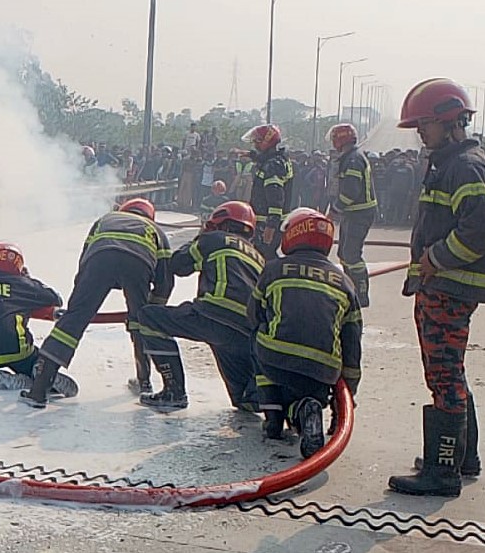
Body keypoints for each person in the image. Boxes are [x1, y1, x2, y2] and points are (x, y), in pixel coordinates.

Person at [388, 79, 485, 498]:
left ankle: (442, 471)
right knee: (450, 371)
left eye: (426, 124)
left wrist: (435, 259)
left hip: (450, 287)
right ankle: (460, 457)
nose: (420, 132)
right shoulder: (451, 161)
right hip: (443, 284)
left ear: (452, 121)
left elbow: (483, 229)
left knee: (443, 375)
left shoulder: (464, 166)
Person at [20, 197, 173, 408]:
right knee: (142, 324)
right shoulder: (155, 230)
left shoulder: (105, 219)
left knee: (71, 325)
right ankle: (144, 382)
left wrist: (80, 301)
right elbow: (165, 279)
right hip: (138, 264)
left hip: (100, 260)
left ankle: (39, 391)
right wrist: (151, 311)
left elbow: (86, 257)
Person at [249, 207, 362, 459]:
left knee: (256, 337)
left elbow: (252, 315)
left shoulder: (273, 269)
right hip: (323, 370)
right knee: (306, 399)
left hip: (276, 360)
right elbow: (352, 342)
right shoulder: (345, 282)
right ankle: (305, 409)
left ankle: (273, 417)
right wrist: (346, 395)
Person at [136, 201, 264, 412]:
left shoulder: (213, 239)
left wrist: (200, 236)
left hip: (213, 315)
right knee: (243, 401)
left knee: (149, 317)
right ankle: (258, 396)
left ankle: (173, 391)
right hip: (247, 331)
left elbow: (178, 264)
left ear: (219, 223)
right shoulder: (259, 257)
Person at [0, 242, 77, 396]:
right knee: (29, 358)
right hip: (18, 352)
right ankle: (38, 370)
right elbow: (55, 299)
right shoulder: (22, 284)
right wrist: (28, 280)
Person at [327, 123, 378, 307]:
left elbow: (350, 191)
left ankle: (361, 293)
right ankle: (350, 289)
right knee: (344, 253)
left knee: (352, 254)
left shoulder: (353, 160)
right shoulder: (349, 157)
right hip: (353, 213)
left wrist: (335, 210)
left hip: (359, 213)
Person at [243, 124, 294, 260]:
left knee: (263, 257)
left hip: (266, 223)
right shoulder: (277, 160)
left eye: (256, 142)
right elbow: (265, 158)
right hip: (268, 221)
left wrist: (271, 226)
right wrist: (252, 156)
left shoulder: (273, 166)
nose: (254, 145)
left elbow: (276, 199)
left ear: (266, 142)